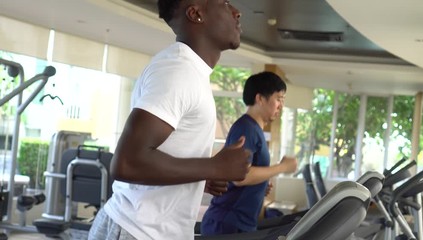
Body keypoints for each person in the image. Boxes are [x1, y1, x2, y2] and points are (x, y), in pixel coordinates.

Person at [88, 1, 250, 239]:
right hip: (136, 230)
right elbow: (127, 163)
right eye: (224, 3)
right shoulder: (178, 70)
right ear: (196, 14)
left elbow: (157, 154)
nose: (237, 11)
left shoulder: (190, 72)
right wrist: (214, 166)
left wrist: (199, 177)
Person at [200, 71, 298, 235]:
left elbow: (247, 174)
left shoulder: (254, 129)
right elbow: (240, 176)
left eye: (283, 100)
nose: (281, 106)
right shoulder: (247, 128)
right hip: (228, 223)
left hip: (240, 223)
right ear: (260, 99)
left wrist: (260, 185)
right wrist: (281, 167)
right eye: (278, 99)